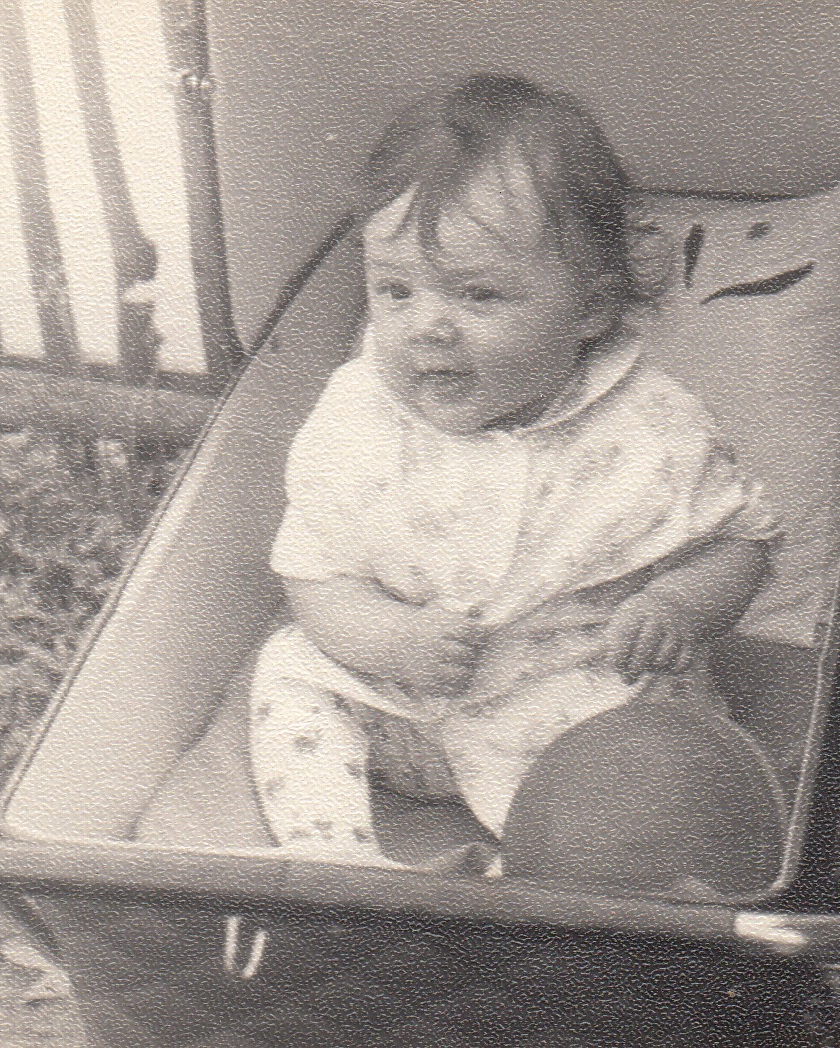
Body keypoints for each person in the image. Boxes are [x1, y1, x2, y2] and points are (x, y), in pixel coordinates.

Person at [248, 74, 780, 866]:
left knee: (654, 766)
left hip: (571, 707)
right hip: (407, 704)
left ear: (590, 309)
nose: (427, 326)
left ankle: (542, 872)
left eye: (478, 295)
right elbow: (315, 574)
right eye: (395, 290)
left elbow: (741, 544)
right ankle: (334, 857)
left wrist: (677, 605)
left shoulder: (650, 426)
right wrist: (391, 640)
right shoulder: (357, 417)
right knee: (291, 672)